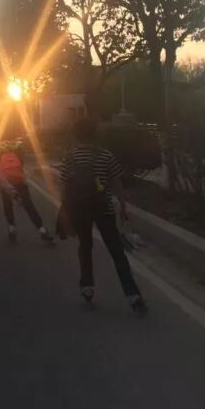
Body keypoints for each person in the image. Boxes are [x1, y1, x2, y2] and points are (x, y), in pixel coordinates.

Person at [59, 117, 148, 314]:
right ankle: (133, 295)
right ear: (95, 134)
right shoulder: (105, 155)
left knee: (85, 246)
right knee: (117, 251)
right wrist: (123, 206)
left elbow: (65, 187)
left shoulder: (69, 157)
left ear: (75, 135)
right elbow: (116, 183)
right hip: (103, 208)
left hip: (79, 209)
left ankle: (87, 286)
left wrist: (65, 210)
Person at [0, 139, 53, 244]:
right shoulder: (17, 148)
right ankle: (42, 229)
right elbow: (22, 166)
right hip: (19, 180)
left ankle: (12, 228)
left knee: (7, 205)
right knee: (29, 205)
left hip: (6, 181)